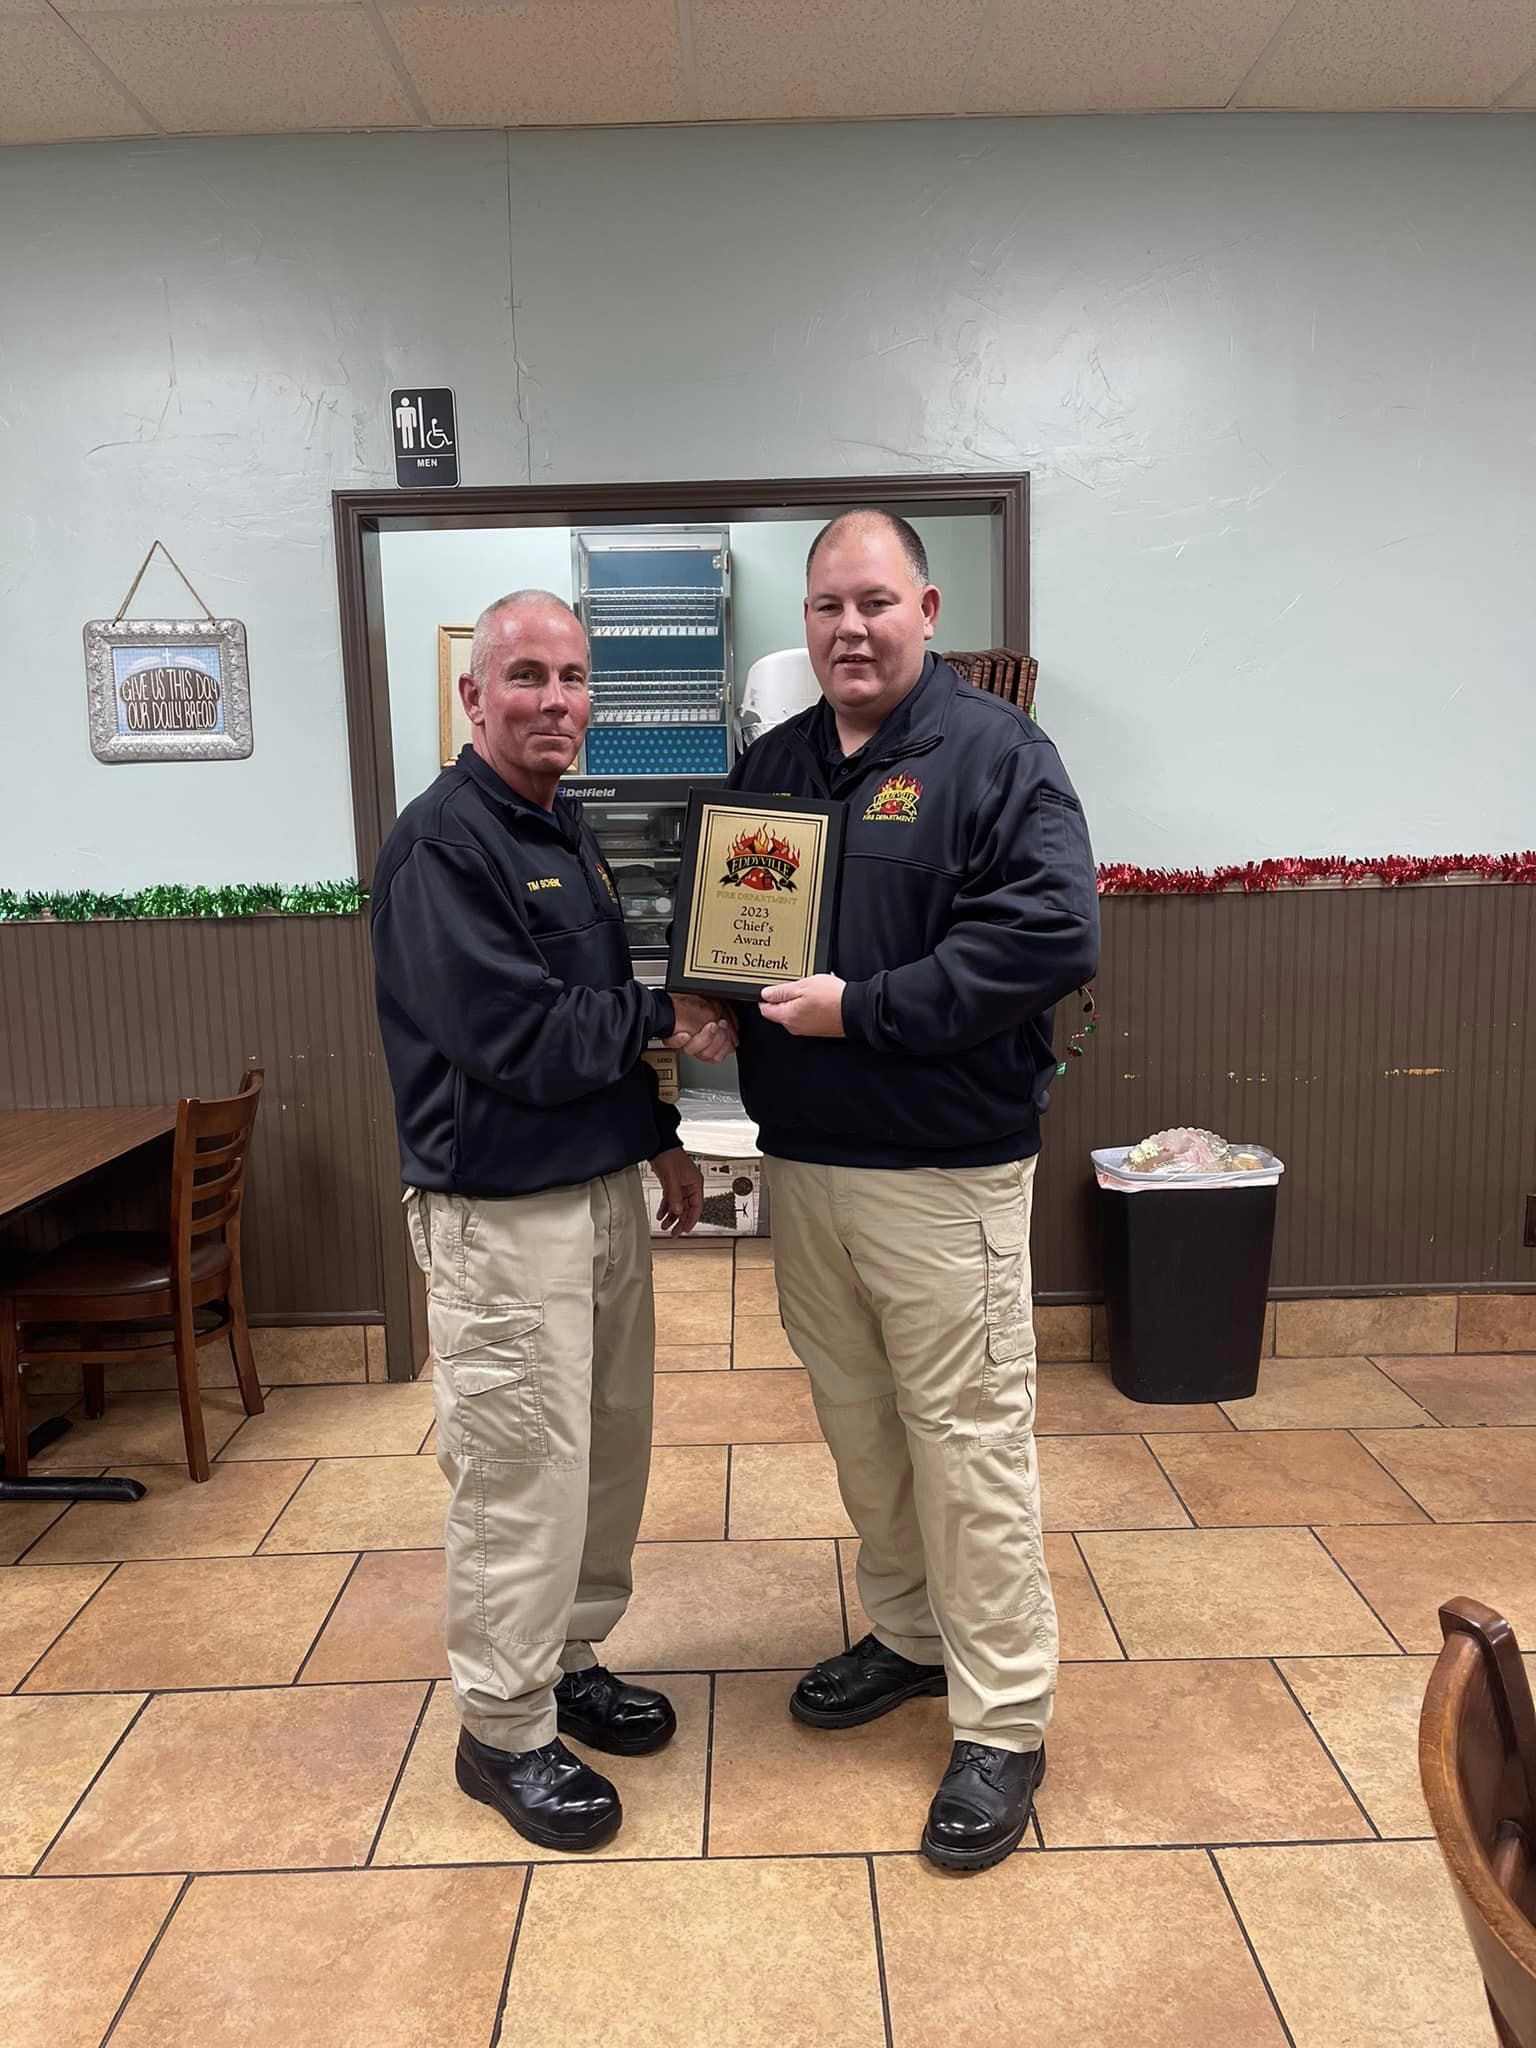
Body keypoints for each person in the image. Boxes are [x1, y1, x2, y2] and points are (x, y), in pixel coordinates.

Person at [726, 512, 1099, 1872]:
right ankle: (908, 1632)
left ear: (926, 607)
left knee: (969, 1439)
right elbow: (743, 918)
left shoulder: (997, 758)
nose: (850, 630)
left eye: (875, 602)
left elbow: (1054, 933)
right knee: (863, 1428)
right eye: (828, 606)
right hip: (808, 1169)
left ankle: (1001, 1720)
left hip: (944, 1178)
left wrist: (863, 1010)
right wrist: (713, 1000)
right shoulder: (775, 763)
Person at [371, 588, 736, 1853]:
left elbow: (590, 998)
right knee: (520, 1469)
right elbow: (516, 1038)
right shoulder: (444, 846)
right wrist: (666, 1020)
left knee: (603, 1450)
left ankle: (567, 1653)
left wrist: (661, 1136)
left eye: (574, 678)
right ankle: (505, 1726)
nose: (557, 701)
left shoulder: (566, 830)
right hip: (499, 1211)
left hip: (597, 1193)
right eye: (528, 676)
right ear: (475, 696)